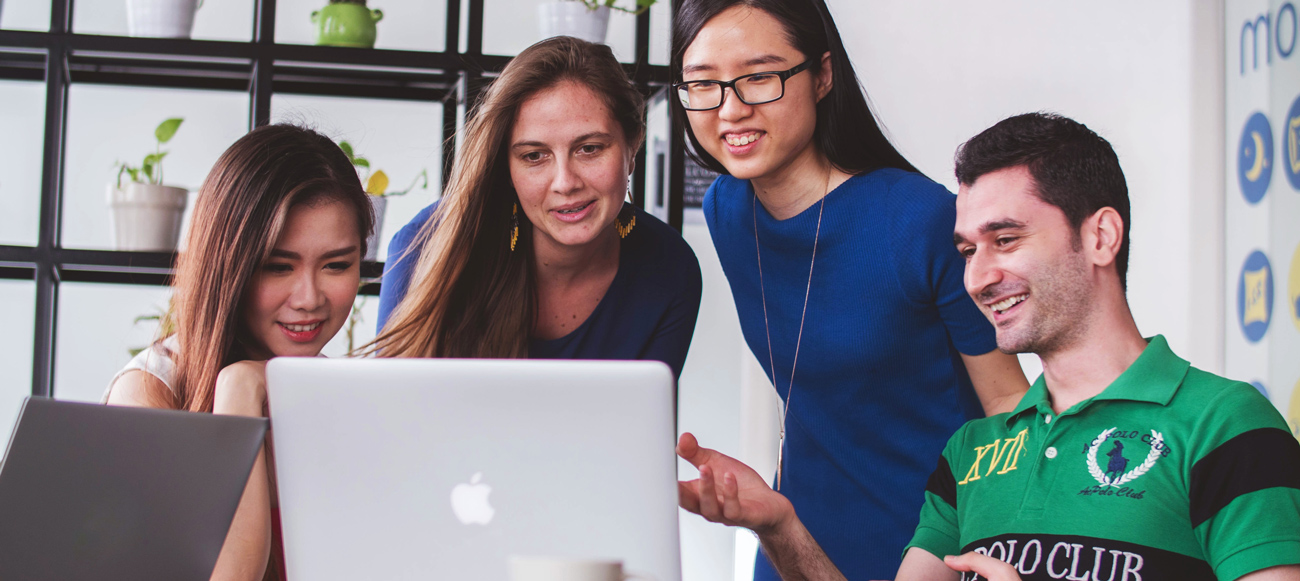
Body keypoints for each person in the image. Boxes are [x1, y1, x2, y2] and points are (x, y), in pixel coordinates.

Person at [676, 113, 1300, 581]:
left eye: (1006, 239)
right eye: (969, 250)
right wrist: (780, 524)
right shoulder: (973, 451)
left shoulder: (1225, 424)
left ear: (1101, 236)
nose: (977, 276)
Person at [670, 0, 1029, 576]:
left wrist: (991, 544)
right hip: (794, 540)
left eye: (760, 77)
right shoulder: (727, 210)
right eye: (703, 85)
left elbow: (1008, 405)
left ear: (823, 75)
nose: (731, 110)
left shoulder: (919, 218)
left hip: (931, 546)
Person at [104, 124, 374, 581]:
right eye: (277, 266)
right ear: (228, 265)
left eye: (336, 265)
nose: (309, 297)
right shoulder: (149, 390)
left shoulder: (341, 395)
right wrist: (238, 392)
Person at [371, 36, 702, 379]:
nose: (565, 182)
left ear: (632, 147)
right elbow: (394, 417)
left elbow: (640, 426)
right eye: (534, 156)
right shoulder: (427, 245)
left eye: (589, 148)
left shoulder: (671, 269)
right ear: (506, 167)